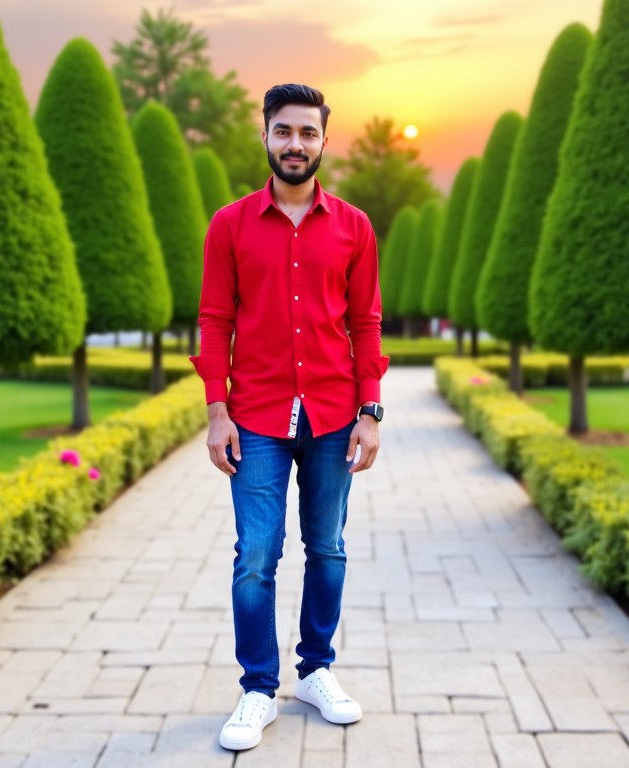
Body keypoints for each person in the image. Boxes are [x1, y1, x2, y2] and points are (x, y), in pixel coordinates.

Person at [190, 83, 388, 752]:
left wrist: (372, 412)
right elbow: (215, 320)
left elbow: (365, 322)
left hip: (334, 413)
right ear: (266, 136)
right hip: (258, 415)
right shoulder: (231, 225)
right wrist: (217, 414)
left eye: (307, 132)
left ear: (324, 140)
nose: (295, 144)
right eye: (284, 131)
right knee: (256, 555)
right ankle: (256, 687)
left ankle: (316, 671)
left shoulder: (355, 227)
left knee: (327, 548)